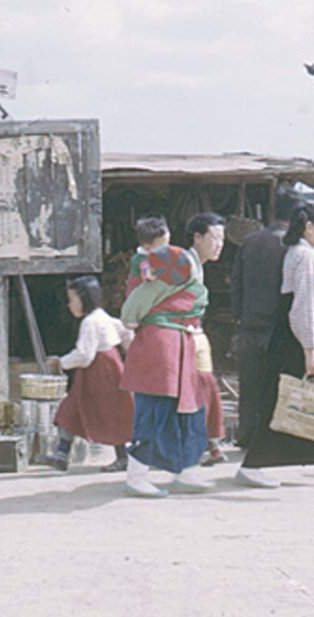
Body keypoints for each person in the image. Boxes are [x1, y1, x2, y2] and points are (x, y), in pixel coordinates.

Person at [235, 202, 314, 488]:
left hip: (298, 335)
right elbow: (302, 307)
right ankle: (254, 465)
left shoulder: (304, 253)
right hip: (298, 337)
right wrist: (310, 350)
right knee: (287, 400)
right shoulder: (303, 256)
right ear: (308, 227)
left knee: (312, 397)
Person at [117, 216, 217, 497]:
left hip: (176, 342)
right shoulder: (161, 270)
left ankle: (185, 469)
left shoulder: (169, 266)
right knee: (155, 408)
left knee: (184, 411)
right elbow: (132, 312)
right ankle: (136, 475)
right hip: (162, 344)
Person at [229, 185, 301, 451]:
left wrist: (239, 319)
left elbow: (236, 284)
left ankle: (247, 437)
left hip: (250, 327)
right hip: (278, 329)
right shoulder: (293, 247)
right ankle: (275, 439)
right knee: (279, 387)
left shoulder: (251, 241)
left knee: (249, 388)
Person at [39, 276, 135, 473]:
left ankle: (122, 458)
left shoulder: (90, 322)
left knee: (108, 412)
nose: (69, 305)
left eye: (72, 299)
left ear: (85, 299)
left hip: (100, 374)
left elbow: (85, 355)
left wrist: (61, 362)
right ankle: (61, 456)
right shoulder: (103, 316)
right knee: (72, 410)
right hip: (108, 370)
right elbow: (126, 332)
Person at [183, 213, 227, 465]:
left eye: (222, 238)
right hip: (183, 335)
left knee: (206, 388)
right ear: (197, 238)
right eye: (216, 237)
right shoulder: (184, 265)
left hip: (196, 334)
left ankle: (212, 444)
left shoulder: (198, 266)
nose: (220, 244)